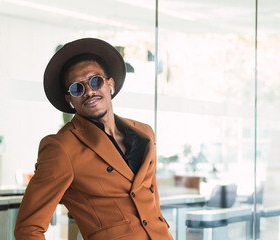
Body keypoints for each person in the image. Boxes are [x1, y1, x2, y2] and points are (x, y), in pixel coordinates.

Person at [14, 38, 173, 240]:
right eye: (76, 88)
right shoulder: (61, 148)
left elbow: (151, 201)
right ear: (69, 99)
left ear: (110, 84)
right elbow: (28, 228)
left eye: (95, 81)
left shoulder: (145, 133)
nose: (89, 91)